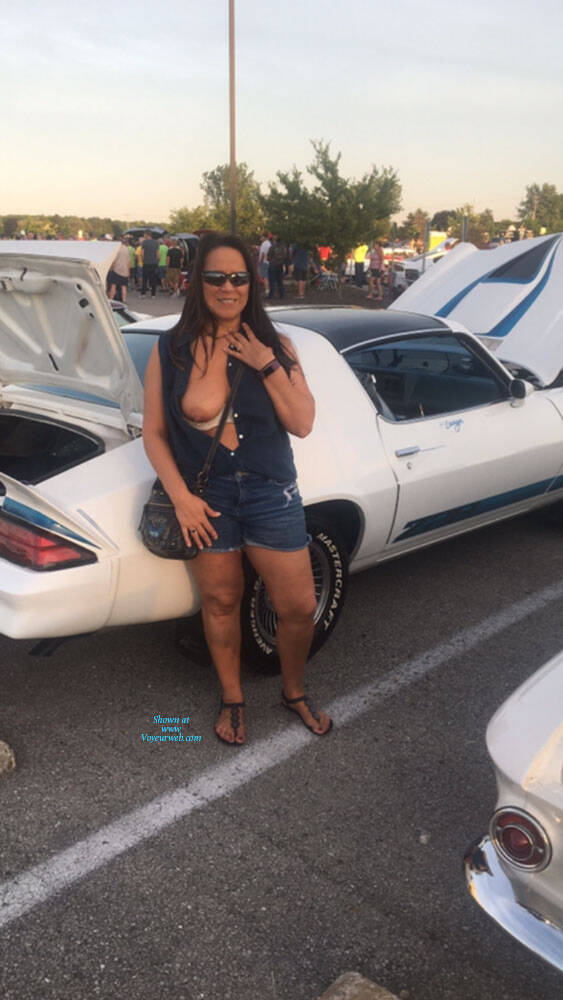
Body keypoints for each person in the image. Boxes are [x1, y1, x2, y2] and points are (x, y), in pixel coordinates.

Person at [142, 232, 332, 745]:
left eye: (239, 278)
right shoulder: (171, 349)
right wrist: (182, 499)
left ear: (253, 282)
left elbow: (302, 423)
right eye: (216, 277)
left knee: (297, 607)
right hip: (207, 499)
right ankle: (233, 697)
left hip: (272, 493)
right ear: (197, 282)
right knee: (221, 602)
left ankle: (294, 691)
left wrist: (264, 363)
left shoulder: (278, 346)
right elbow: (154, 434)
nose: (228, 287)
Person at [107, 238, 131, 303]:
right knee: (124, 286)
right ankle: (124, 300)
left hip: (116, 270)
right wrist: (128, 271)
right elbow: (129, 261)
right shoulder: (126, 249)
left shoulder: (116, 249)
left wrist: (111, 268)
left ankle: (111, 299)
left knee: (113, 285)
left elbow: (114, 261)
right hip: (124, 271)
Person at [141, 231, 159, 297]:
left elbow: (142, 253)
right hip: (154, 263)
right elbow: (157, 253)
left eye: (144, 235)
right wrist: (157, 261)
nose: (143, 236)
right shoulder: (156, 242)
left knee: (145, 279)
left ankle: (143, 294)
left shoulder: (144, 242)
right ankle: (153, 294)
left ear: (147, 235)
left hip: (146, 263)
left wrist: (143, 260)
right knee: (153, 279)